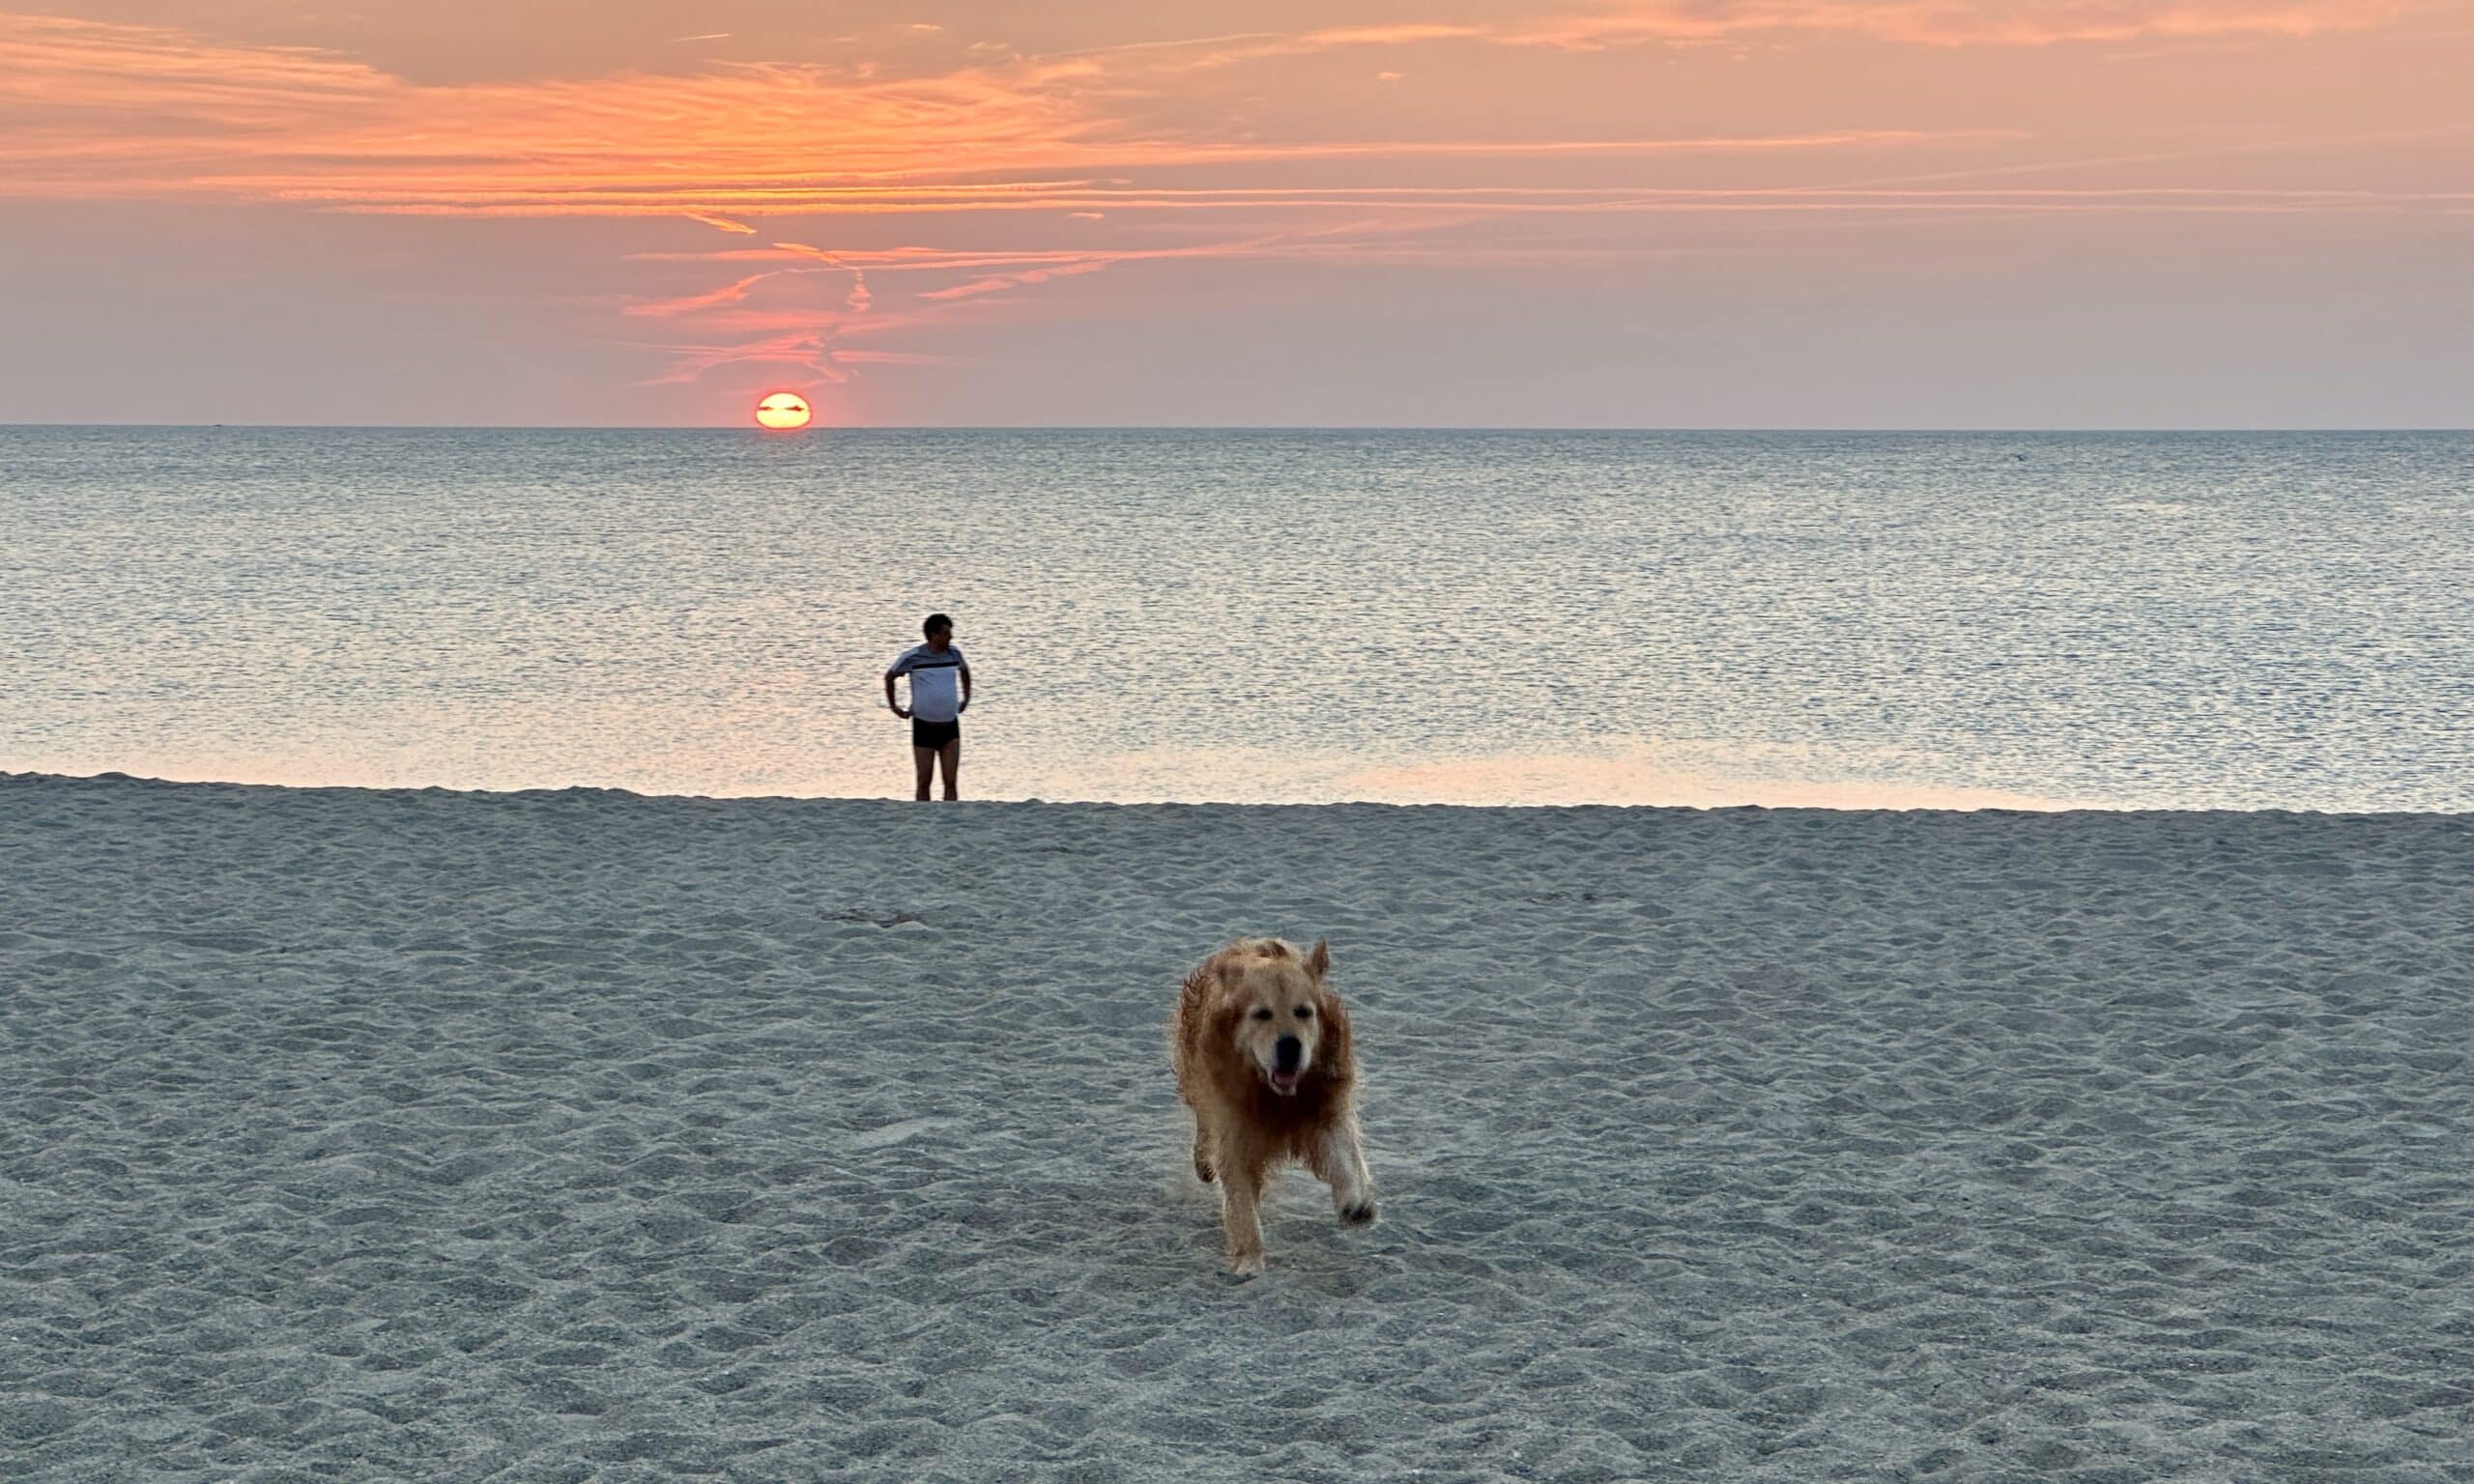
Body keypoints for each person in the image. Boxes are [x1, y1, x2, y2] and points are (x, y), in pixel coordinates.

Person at [884, 613, 971, 800]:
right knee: (924, 780)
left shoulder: (954, 654)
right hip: (924, 726)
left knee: (950, 780)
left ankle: (951, 819)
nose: (950, 637)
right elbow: (890, 676)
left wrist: (966, 698)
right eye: (946, 633)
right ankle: (922, 818)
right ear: (933, 635)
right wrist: (895, 707)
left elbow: (965, 671)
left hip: (949, 726)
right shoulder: (913, 657)